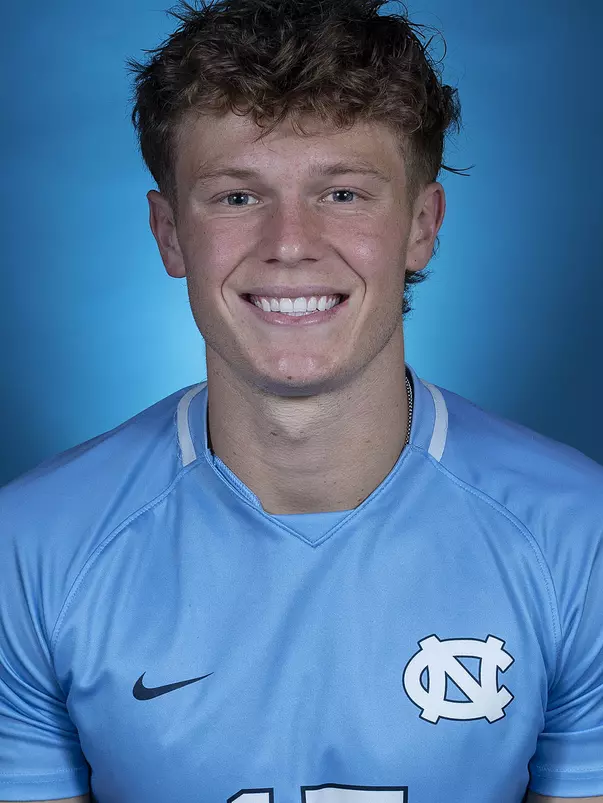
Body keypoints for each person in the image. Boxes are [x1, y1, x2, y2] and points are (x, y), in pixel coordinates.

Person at [1, 0, 602, 800]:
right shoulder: (31, 549)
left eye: (343, 194)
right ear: (170, 232)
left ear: (421, 224)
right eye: (237, 197)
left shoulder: (577, 538)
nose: (289, 243)